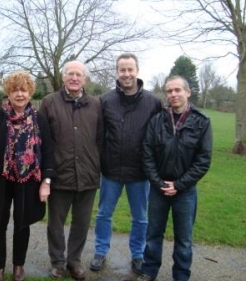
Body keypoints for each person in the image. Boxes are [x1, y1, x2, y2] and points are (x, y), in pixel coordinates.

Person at [90, 53, 162, 273]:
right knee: (103, 214)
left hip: (140, 172)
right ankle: (100, 252)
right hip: (111, 170)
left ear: (137, 71)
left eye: (130, 69)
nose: (127, 74)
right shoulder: (105, 100)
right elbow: (98, 134)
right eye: (122, 69)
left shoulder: (153, 102)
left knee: (140, 218)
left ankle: (138, 255)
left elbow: (159, 137)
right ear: (117, 72)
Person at [137, 76, 212, 281]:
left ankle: (181, 275)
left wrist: (179, 185)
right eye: (169, 91)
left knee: (184, 239)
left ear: (188, 92)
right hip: (158, 188)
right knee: (153, 234)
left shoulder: (201, 122)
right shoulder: (157, 120)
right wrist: (159, 182)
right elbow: (147, 154)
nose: (173, 95)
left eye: (177, 90)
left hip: (185, 191)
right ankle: (149, 271)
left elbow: (203, 160)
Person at [0, 71, 55, 281]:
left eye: (23, 90)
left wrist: (46, 182)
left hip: (28, 181)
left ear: (29, 92)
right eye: (15, 89)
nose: (19, 94)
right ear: (8, 92)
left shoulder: (38, 119)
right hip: (0, 180)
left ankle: (18, 266)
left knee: (22, 222)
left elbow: (49, 153)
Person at [39, 60, 103, 281]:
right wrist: (46, 174)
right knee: (56, 223)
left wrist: (96, 165)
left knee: (81, 223)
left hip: (88, 175)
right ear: (64, 76)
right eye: (70, 74)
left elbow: (100, 139)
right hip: (60, 174)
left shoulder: (95, 105)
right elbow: (43, 141)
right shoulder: (49, 102)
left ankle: (74, 261)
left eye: (79, 74)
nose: (74, 78)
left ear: (85, 79)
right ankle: (57, 262)